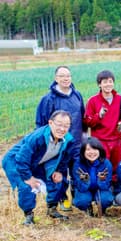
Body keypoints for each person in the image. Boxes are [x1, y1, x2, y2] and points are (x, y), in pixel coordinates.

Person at [2, 110, 75, 225]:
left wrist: (59, 171)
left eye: (66, 126)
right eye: (59, 124)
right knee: (26, 186)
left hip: (37, 161)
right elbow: (22, 158)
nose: (62, 129)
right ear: (50, 123)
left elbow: (65, 158)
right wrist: (28, 177)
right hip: (15, 160)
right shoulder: (38, 137)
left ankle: (52, 209)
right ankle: (28, 215)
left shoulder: (68, 140)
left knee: (57, 181)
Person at [35, 65, 86, 211]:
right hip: (57, 145)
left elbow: (82, 118)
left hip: (75, 143)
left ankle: (78, 199)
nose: (66, 79)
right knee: (59, 173)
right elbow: (41, 123)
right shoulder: (48, 99)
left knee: (78, 171)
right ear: (56, 78)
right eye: (62, 76)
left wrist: (84, 137)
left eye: (68, 76)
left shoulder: (77, 95)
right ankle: (62, 200)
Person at [84, 70, 121, 184]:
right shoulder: (93, 101)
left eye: (110, 81)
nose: (108, 84)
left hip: (116, 140)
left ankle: (115, 188)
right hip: (100, 141)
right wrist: (99, 115)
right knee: (102, 166)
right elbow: (88, 121)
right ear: (99, 84)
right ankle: (102, 188)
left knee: (117, 166)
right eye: (105, 82)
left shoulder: (119, 99)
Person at [72, 137, 114, 216]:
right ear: (83, 152)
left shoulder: (106, 163)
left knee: (106, 199)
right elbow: (80, 187)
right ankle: (88, 209)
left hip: (100, 189)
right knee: (81, 201)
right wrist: (85, 181)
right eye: (88, 150)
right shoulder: (78, 164)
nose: (91, 152)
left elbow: (106, 186)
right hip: (85, 190)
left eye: (94, 149)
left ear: (100, 151)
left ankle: (102, 210)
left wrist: (101, 180)